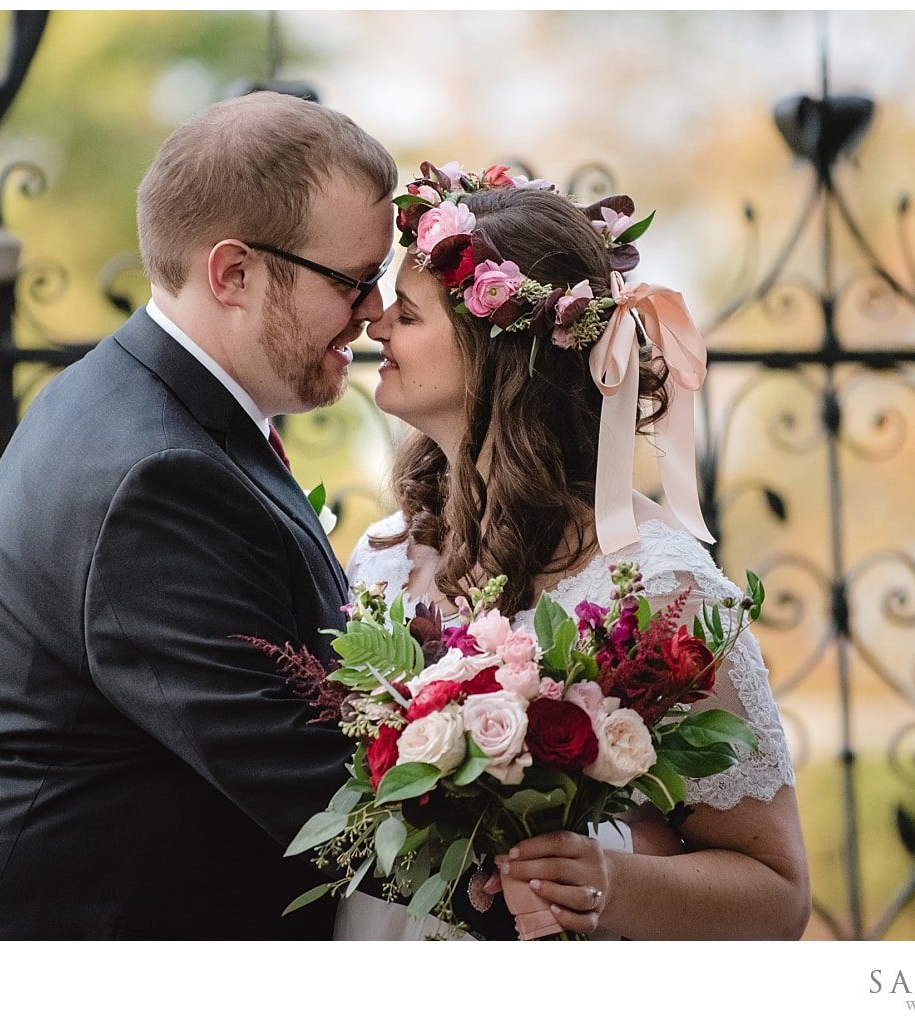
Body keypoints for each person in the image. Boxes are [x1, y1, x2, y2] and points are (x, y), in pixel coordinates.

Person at [0, 91, 398, 938]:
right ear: (234, 273)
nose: (374, 310)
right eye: (354, 280)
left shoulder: (134, 399)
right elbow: (309, 784)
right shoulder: (161, 475)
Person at [338, 162, 809, 939]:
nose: (376, 327)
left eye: (409, 314)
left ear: (494, 353)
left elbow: (778, 896)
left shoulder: (657, 587)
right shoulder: (383, 554)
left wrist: (611, 882)